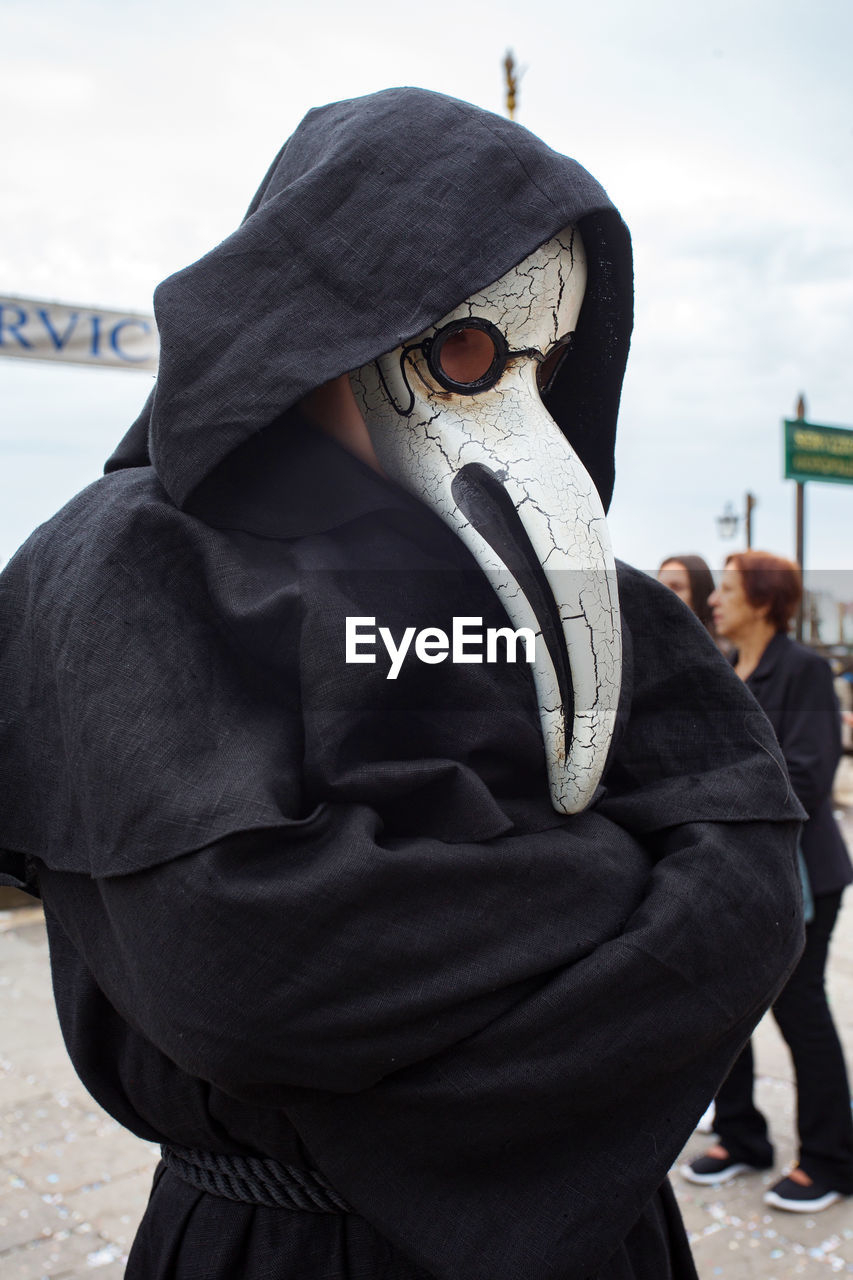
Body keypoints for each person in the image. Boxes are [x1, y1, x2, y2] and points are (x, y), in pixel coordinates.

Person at [0, 89, 805, 1280]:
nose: (523, 406)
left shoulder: (588, 586)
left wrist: (421, 913)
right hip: (274, 1245)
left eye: (556, 359)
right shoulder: (122, 566)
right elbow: (242, 966)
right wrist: (615, 868)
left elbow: (750, 886)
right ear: (324, 310)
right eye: (471, 349)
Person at [682, 549, 853, 1212]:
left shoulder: (802, 669)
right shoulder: (726, 670)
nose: (715, 600)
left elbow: (807, 775)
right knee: (729, 1006)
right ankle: (740, 1136)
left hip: (805, 873)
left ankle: (832, 1159)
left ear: (761, 598)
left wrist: (713, 792)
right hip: (743, 872)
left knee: (799, 1009)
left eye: (726, 589)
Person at [657, 554, 717, 636]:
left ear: (699, 594)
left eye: (676, 587)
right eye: (659, 587)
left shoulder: (725, 646)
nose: (662, 595)